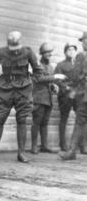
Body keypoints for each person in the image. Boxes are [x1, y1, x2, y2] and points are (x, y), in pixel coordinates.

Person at [0, 31, 45, 163]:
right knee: (0, 118)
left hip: (23, 91)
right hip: (5, 89)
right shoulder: (1, 52)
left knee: (22, 119)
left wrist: (29, 83)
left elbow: (38, 70)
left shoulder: (28, 52)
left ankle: (21, 153)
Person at [31, 43, 66, 154]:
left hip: (48, 99)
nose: (49, 54)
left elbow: (48, 82)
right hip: (39, 98)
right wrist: (55, 77)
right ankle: (33, 147)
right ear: (42, 53)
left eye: (50, 52)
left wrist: (53, 86)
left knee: (45, 123)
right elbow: (39, 79)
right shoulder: (37, 65)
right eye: (47, 52)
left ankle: (44, 146)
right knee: (36, 122)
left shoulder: (50, 67)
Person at [60, 32, 87, 160]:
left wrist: (73, 89)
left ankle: (71, 151)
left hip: (84, 94)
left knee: (80, 121)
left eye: (83, 41)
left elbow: (76, 76)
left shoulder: (81, 56)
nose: (82, 43)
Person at [54, 42, 81, 151]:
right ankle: (62, 144)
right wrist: (67, 88)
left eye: (73, 50)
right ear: (65, 52)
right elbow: (57, 80)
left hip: (77, 95)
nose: (71, 51)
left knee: (80, 118)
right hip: (65, 95)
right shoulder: (60, 65)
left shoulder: (78, 66)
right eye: (69, 50)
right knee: (64, 119)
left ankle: (80, 144)